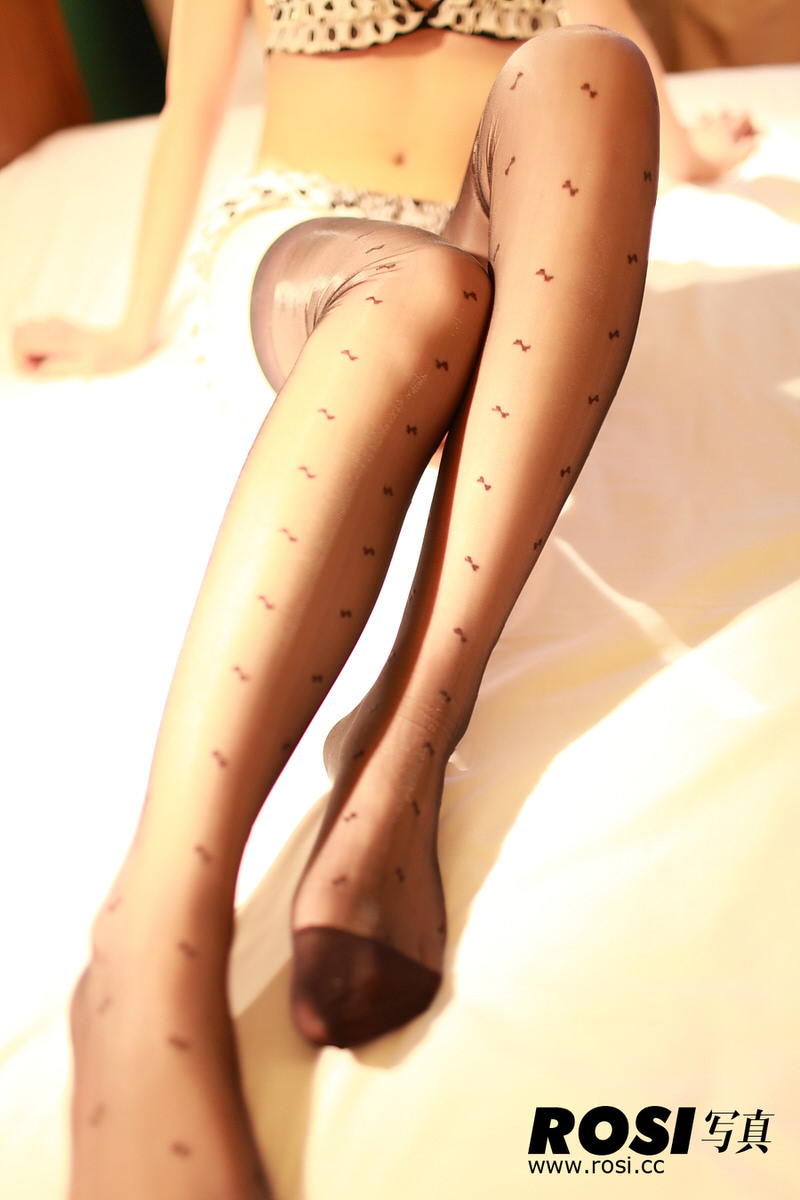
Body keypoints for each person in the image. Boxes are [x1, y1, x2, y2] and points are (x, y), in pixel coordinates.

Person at [13, 3, 754, 1199]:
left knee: (590, 68)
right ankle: (149, 936)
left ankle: (402, 744)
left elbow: (613, 36)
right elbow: (189, 110)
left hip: (505, 241)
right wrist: (123, 324)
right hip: (306, 246)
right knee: (422, 288)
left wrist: (693, 147)